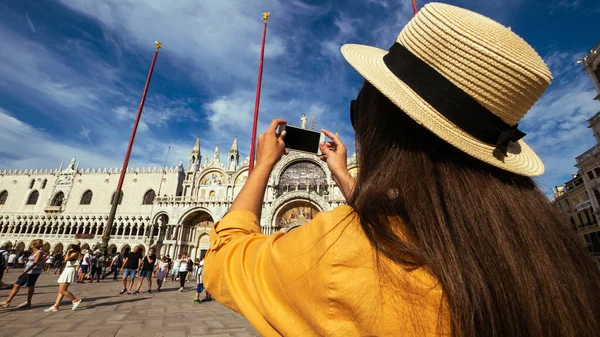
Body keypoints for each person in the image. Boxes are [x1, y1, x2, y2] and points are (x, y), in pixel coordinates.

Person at [202, 4, 600, 337]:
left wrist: (263, 165)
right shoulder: (554, 258)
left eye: (359, 113)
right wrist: (342, 174)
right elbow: (403, 225)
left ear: (379, 130)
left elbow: (225, 259)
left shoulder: (343, 254)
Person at [0, 240, 44, 308]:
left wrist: (26, 271)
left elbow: (35, 262)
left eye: (32, 244)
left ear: (34, 245)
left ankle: (28, 302)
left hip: (33, 272)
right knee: (16, 285)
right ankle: (7, 302)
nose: (30, 245)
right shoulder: (33, 252)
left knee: (30, 286)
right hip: (27, 271)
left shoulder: (40, 252)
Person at [44, 240, 82, 312]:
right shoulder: (73, 252)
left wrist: (67, 252)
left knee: (62, 290)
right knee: (60, 290)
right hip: (67, 269)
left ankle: (75, 300)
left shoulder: (76, 253)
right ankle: (56, 306)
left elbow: (66, 259)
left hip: (70, 270)